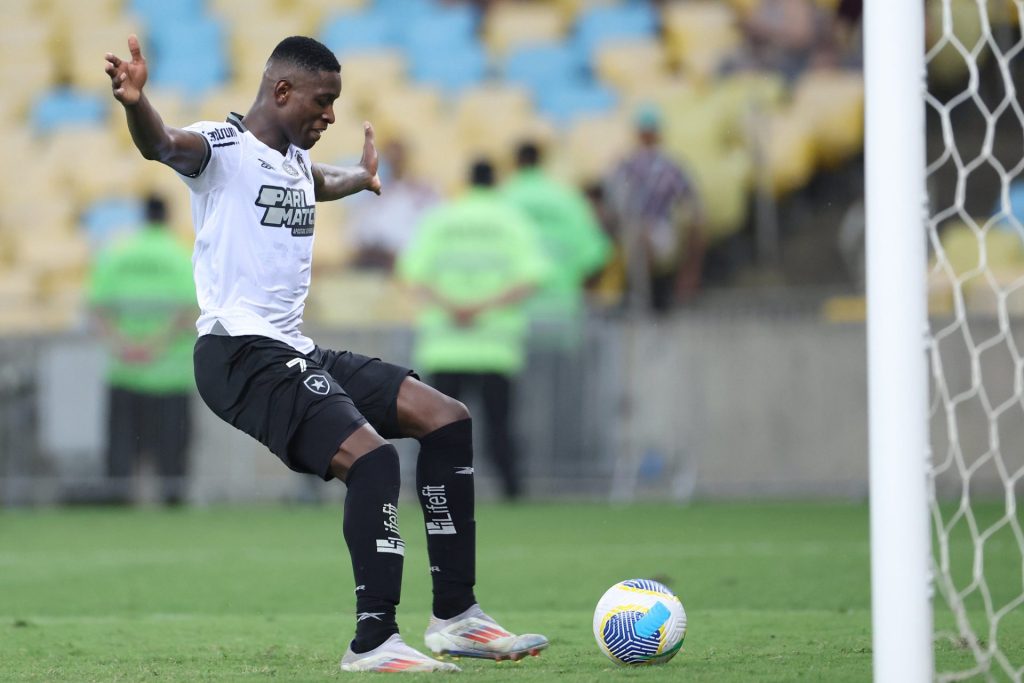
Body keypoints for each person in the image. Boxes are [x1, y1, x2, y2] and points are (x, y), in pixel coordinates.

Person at [104, 34, 547, 673]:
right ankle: (374, 642)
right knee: (372, 464)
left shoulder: (291, 163)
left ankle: (456, 617)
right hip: (239, 354)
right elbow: (163, 144)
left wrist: (360, 177)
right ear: (281, 91)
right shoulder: (222, 150)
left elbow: (321, 180)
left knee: (446, 418)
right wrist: (136, 103)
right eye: (324, 100)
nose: (332, 114)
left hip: (293, 349)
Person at [397, 159, 550, 501]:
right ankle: (512, 493)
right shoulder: (512, 221)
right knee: (499, 427)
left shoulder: (441, 218)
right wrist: (482, 308)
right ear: (495, 182)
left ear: (467, 181)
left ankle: (434, 490)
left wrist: (454, 307)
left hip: (445, 345)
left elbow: (413, 275)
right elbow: (530, 279)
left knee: (439, 428)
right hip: (495, 347)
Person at [87, 194, 197, 506]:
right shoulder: (181, 254)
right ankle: (172, 503)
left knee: (122, 452)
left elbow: (97, 308)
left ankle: (118, 502)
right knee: (172, 456)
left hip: (125, 370)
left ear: (142, 216)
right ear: (167, 215)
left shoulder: (117, 253)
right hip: (171, 374)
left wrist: (126, 347)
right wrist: (154, 346)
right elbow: (189, 311)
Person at [605, 104, 705, 314]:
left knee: (644, 236)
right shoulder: (624, 164)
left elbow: (694, 209)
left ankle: (643, 295)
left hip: (659, 229)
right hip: (629, 229)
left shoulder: (670, 166)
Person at [345, 139, 440, 272]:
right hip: (375, 262)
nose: (394, 161)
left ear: (406, 158)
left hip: (409, 263)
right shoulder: (369, 192)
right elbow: (357, 234)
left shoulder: (423, 192)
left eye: (398, 157)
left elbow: (434, 229)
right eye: (389, 157)